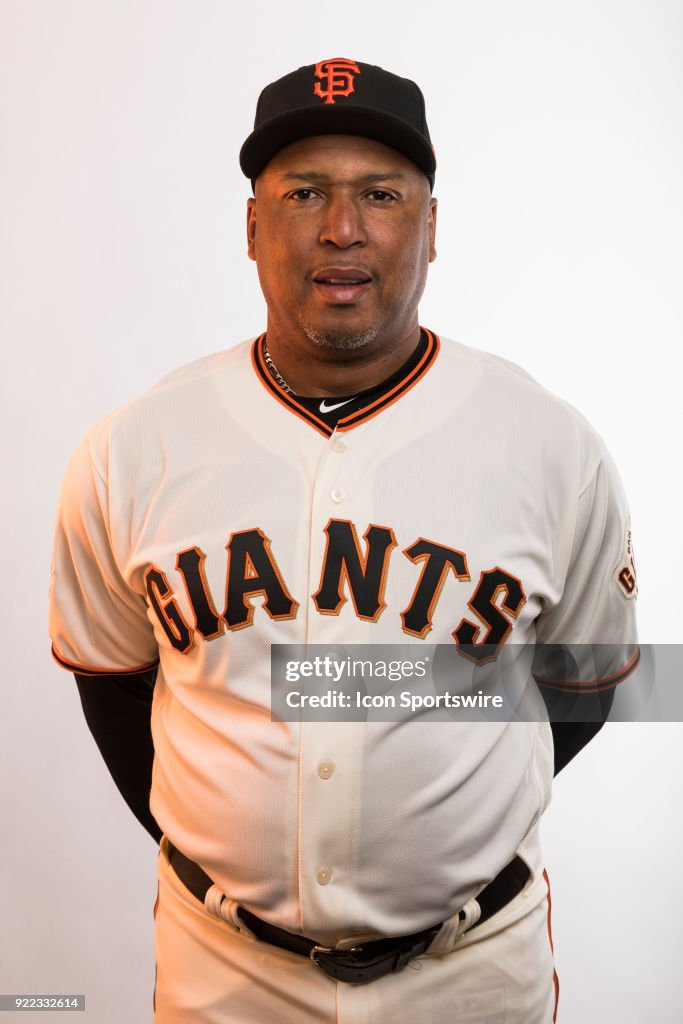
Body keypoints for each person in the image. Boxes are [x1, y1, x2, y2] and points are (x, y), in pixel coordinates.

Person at [48, 58, 639, 1023]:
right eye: (304, 192)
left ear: (432, 228)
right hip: (225, 973)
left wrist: (439, 839)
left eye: (379, 193)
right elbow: (114, 684)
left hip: (472, 973)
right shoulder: (130, 449)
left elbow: (580, 690)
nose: (342, 228)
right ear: (250, 227)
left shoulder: (550, 446)